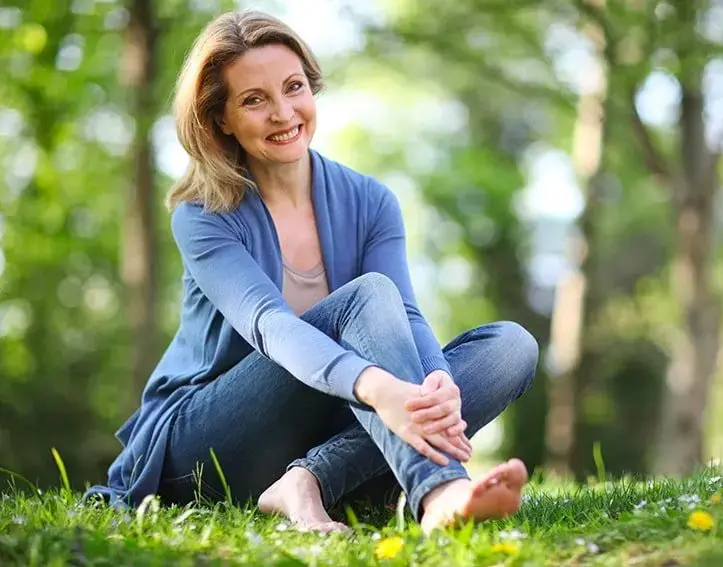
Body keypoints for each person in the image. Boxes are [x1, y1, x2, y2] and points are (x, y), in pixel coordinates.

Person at [86, 10, 538, 534]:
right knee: (366, 296)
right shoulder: (203, 215)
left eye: (293, 87)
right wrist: (376, 387)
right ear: (221, 119)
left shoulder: (371, 202)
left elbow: (408, 315)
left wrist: (435, 378)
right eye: (254, 100)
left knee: (511, 347)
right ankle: (438, 491)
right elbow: (270, 327)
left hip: (322, 425)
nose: (283, 112)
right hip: (206, 442)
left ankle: (310, 480)